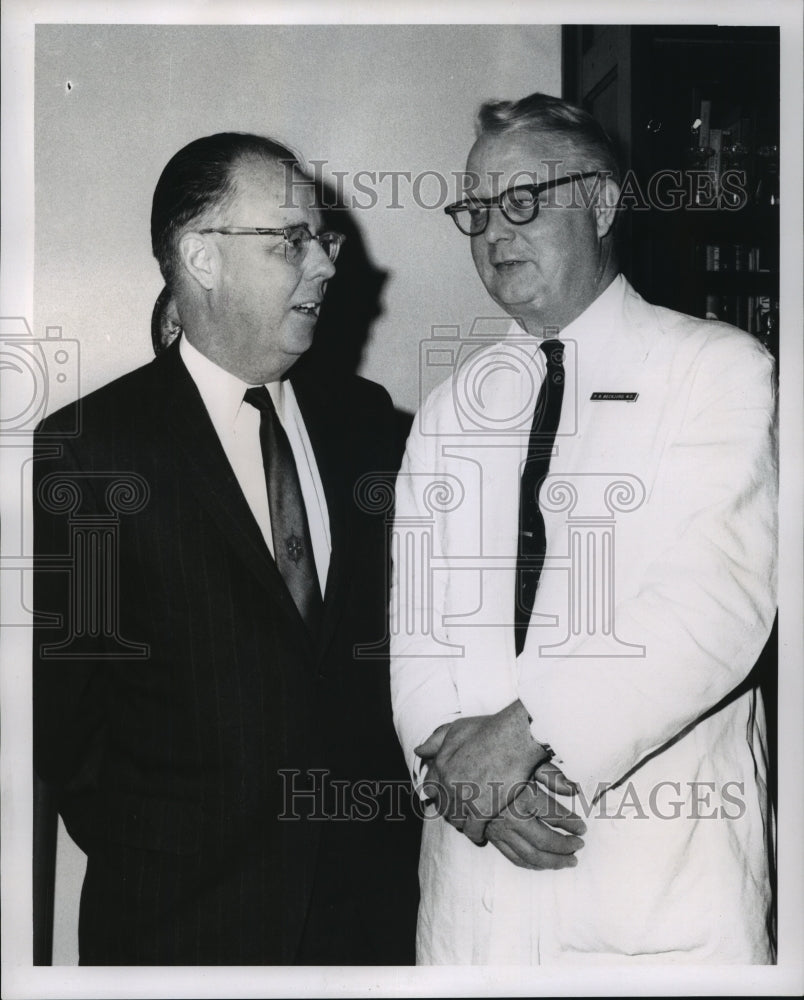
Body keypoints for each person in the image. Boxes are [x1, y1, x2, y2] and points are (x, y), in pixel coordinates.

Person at [390, 93, 777, 964]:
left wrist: (526, 740)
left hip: (656, 887)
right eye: (477, 210)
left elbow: (716, 604)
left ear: (601, 204)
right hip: (474, 888)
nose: (495, 232)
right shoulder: (452, 410)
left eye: (523, 201)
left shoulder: (718, 371)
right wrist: (463, 781)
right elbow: (417, 632)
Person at [33, 132, 419, 965]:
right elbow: (66, 725)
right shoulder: (91, 451)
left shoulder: (367, 423)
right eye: (292, 242)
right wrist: (177, 843)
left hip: (365, 923)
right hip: (184, 927)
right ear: (201, 257)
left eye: (326, 241)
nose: (324, 265)